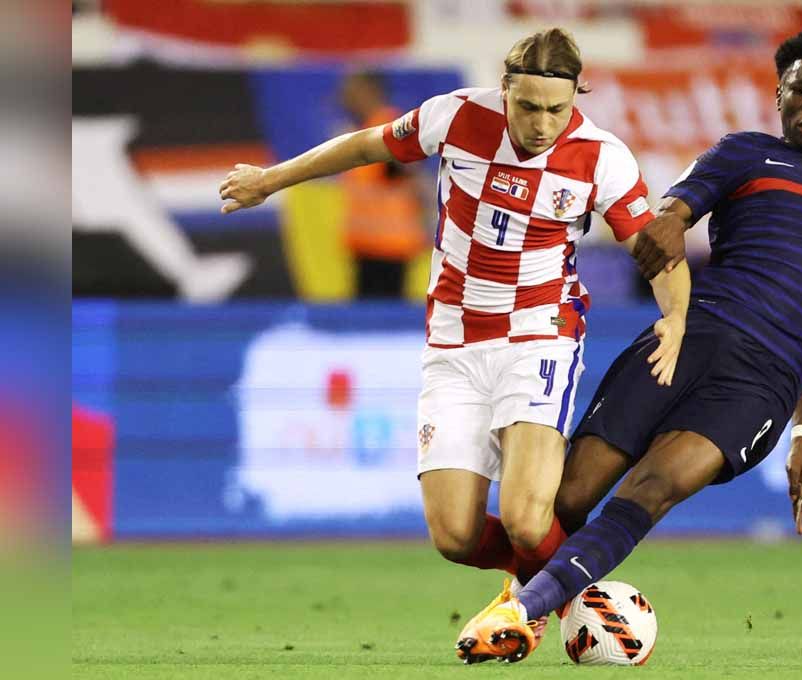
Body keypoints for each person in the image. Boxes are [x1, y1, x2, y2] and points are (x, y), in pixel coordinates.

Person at [219, 26, 688, 640]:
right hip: (454, 342)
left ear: (576, 97)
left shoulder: (601, 157)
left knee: (525, 520)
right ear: (504, 91)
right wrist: (271, 179)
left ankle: (553, 606)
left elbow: (654, 252)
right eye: (527, 106)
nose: (541, 123)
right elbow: (365, 147)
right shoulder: (457, 116)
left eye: (557, 108)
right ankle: (577, 590)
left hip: (539, 334)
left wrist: (676, 317)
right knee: (455, 535)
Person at [454, 30, 802, 664]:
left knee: (652, 489)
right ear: (779, 95)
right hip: (689, 339)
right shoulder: (746, 155)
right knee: (567, 497)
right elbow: (675, 211)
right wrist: (670, 224)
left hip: (763, 383)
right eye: (800, 90)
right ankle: (536, 598)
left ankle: (520, 611)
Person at [337, 72, 429, 299]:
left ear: (370, 91)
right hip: (366, 245)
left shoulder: (390, 128)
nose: (345, 97)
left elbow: (415, 179)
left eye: (352, 90)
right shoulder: (364, 129)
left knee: (381, 317)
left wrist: (429, 222)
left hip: (390, 246)